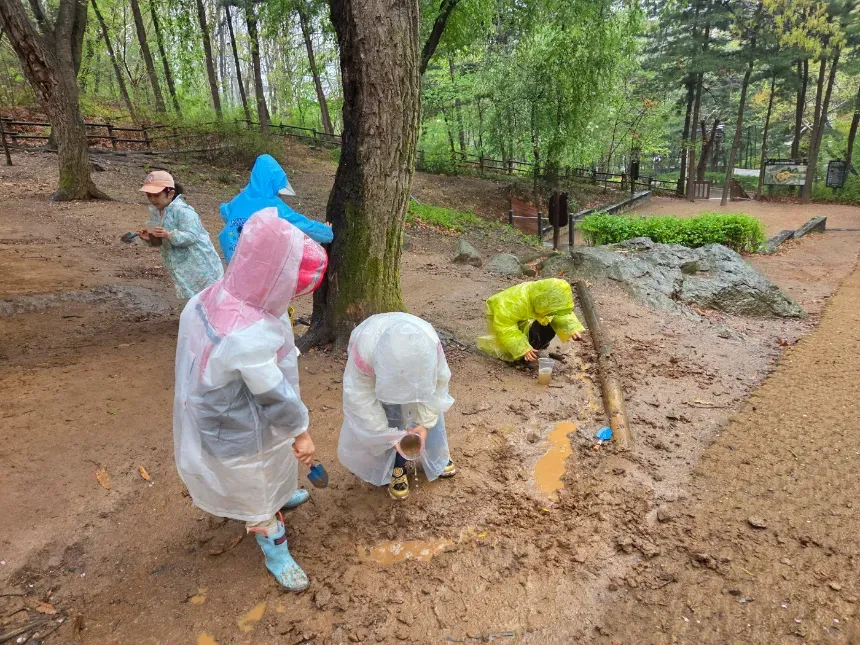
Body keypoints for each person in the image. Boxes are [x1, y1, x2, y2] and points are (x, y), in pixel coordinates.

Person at [173, 208, 327, 592]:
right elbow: (275, 396)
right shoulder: (247, 334)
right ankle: (274, 546)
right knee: (253, 478)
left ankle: (280, 494)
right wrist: (301, 432)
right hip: (234, 424)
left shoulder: (212, 297)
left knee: (271, 458)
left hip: (227, 407)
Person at [338, 313, 456, 501]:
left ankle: (437, 454)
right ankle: (395, 465)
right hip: (372, 360)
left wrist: (425, 424)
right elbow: (361, 398)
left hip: (420, 368)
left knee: (425, 400)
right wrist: (386, 434)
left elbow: (438, 387)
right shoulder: (365, 351)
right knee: (390, 410)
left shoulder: (430, 344)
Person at [218, 154, 334, 263]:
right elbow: (299, 222)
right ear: (274, 179)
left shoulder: (241, 198)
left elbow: (225, 212)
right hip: (256, 259)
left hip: (233, 253)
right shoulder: (273, 205)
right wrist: (325, 232)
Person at [138, 171, 224, 300]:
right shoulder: (158, 212)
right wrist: (150, 239)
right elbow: (161, 239)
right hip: (181, 264)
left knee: (207, 294)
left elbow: (192, 236)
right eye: (149, 195)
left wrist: (169, 234)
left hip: (199, 262)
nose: (152, 199)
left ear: (170, 193)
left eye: (156, 195)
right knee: (190, 295)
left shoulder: (183, 211)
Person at [477, 278, 585, 362]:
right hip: (504, 322)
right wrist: (522, 348)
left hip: (526, 317)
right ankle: (525, 352)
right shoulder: (513, 303)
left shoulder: (543, 296)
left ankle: (535, 347)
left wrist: (571, 328)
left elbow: (558, 312)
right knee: (532, 331)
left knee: (548, 323)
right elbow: (505, 327)